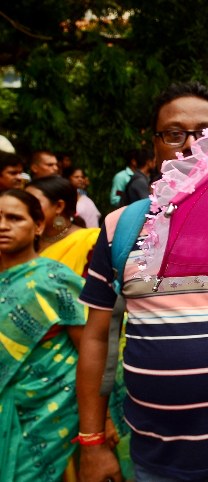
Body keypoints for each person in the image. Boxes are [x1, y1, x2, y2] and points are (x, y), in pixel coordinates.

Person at [76, 81, 208, 482]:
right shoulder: (120, 227)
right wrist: (91, 440)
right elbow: (97, 337)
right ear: (156, 144)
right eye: (175, 133)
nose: (192, 144)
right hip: (153, 460)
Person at [0, 189, 86, 482]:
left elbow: (89, 350)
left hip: (48, 413)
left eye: (14, 218)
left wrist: (101, 423)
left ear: (38, 226)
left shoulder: (54, 278)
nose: (3, 225)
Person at [25, 175, 100, 277]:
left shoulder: (91, 241)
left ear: (59, 206)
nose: (24, 209)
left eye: (33, 203)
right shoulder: (23, 240)